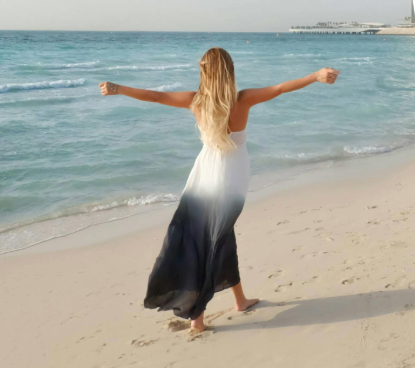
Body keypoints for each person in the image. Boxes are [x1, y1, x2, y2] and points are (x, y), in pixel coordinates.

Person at [99, 48, 340, 333]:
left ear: (204, 72)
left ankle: (237, 301)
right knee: (214, 242)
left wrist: (118, 88)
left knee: (213, 238)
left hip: (204, 177)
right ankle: (200, 317)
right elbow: (280, 88)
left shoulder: (195, 101)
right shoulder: (243, 99)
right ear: (230, 71)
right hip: (231, 183)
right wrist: (315, 76)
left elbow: (156, 96)